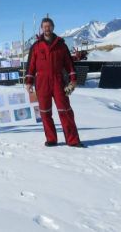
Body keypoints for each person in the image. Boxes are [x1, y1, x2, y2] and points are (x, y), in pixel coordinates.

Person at [25, 17, 84, 147]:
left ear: (53, 27)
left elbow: (69, 64)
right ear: (41, 28)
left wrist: (73, 80)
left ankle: (73, 140)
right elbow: (31, 66)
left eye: (49, 26)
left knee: (65, 110)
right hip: (42, 82)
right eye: (45, 26)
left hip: (58, 81)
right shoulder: (36, 46)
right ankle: (51, 139)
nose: (47, 28)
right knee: (45, 112)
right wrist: (29, 82)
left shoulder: (61, 45)